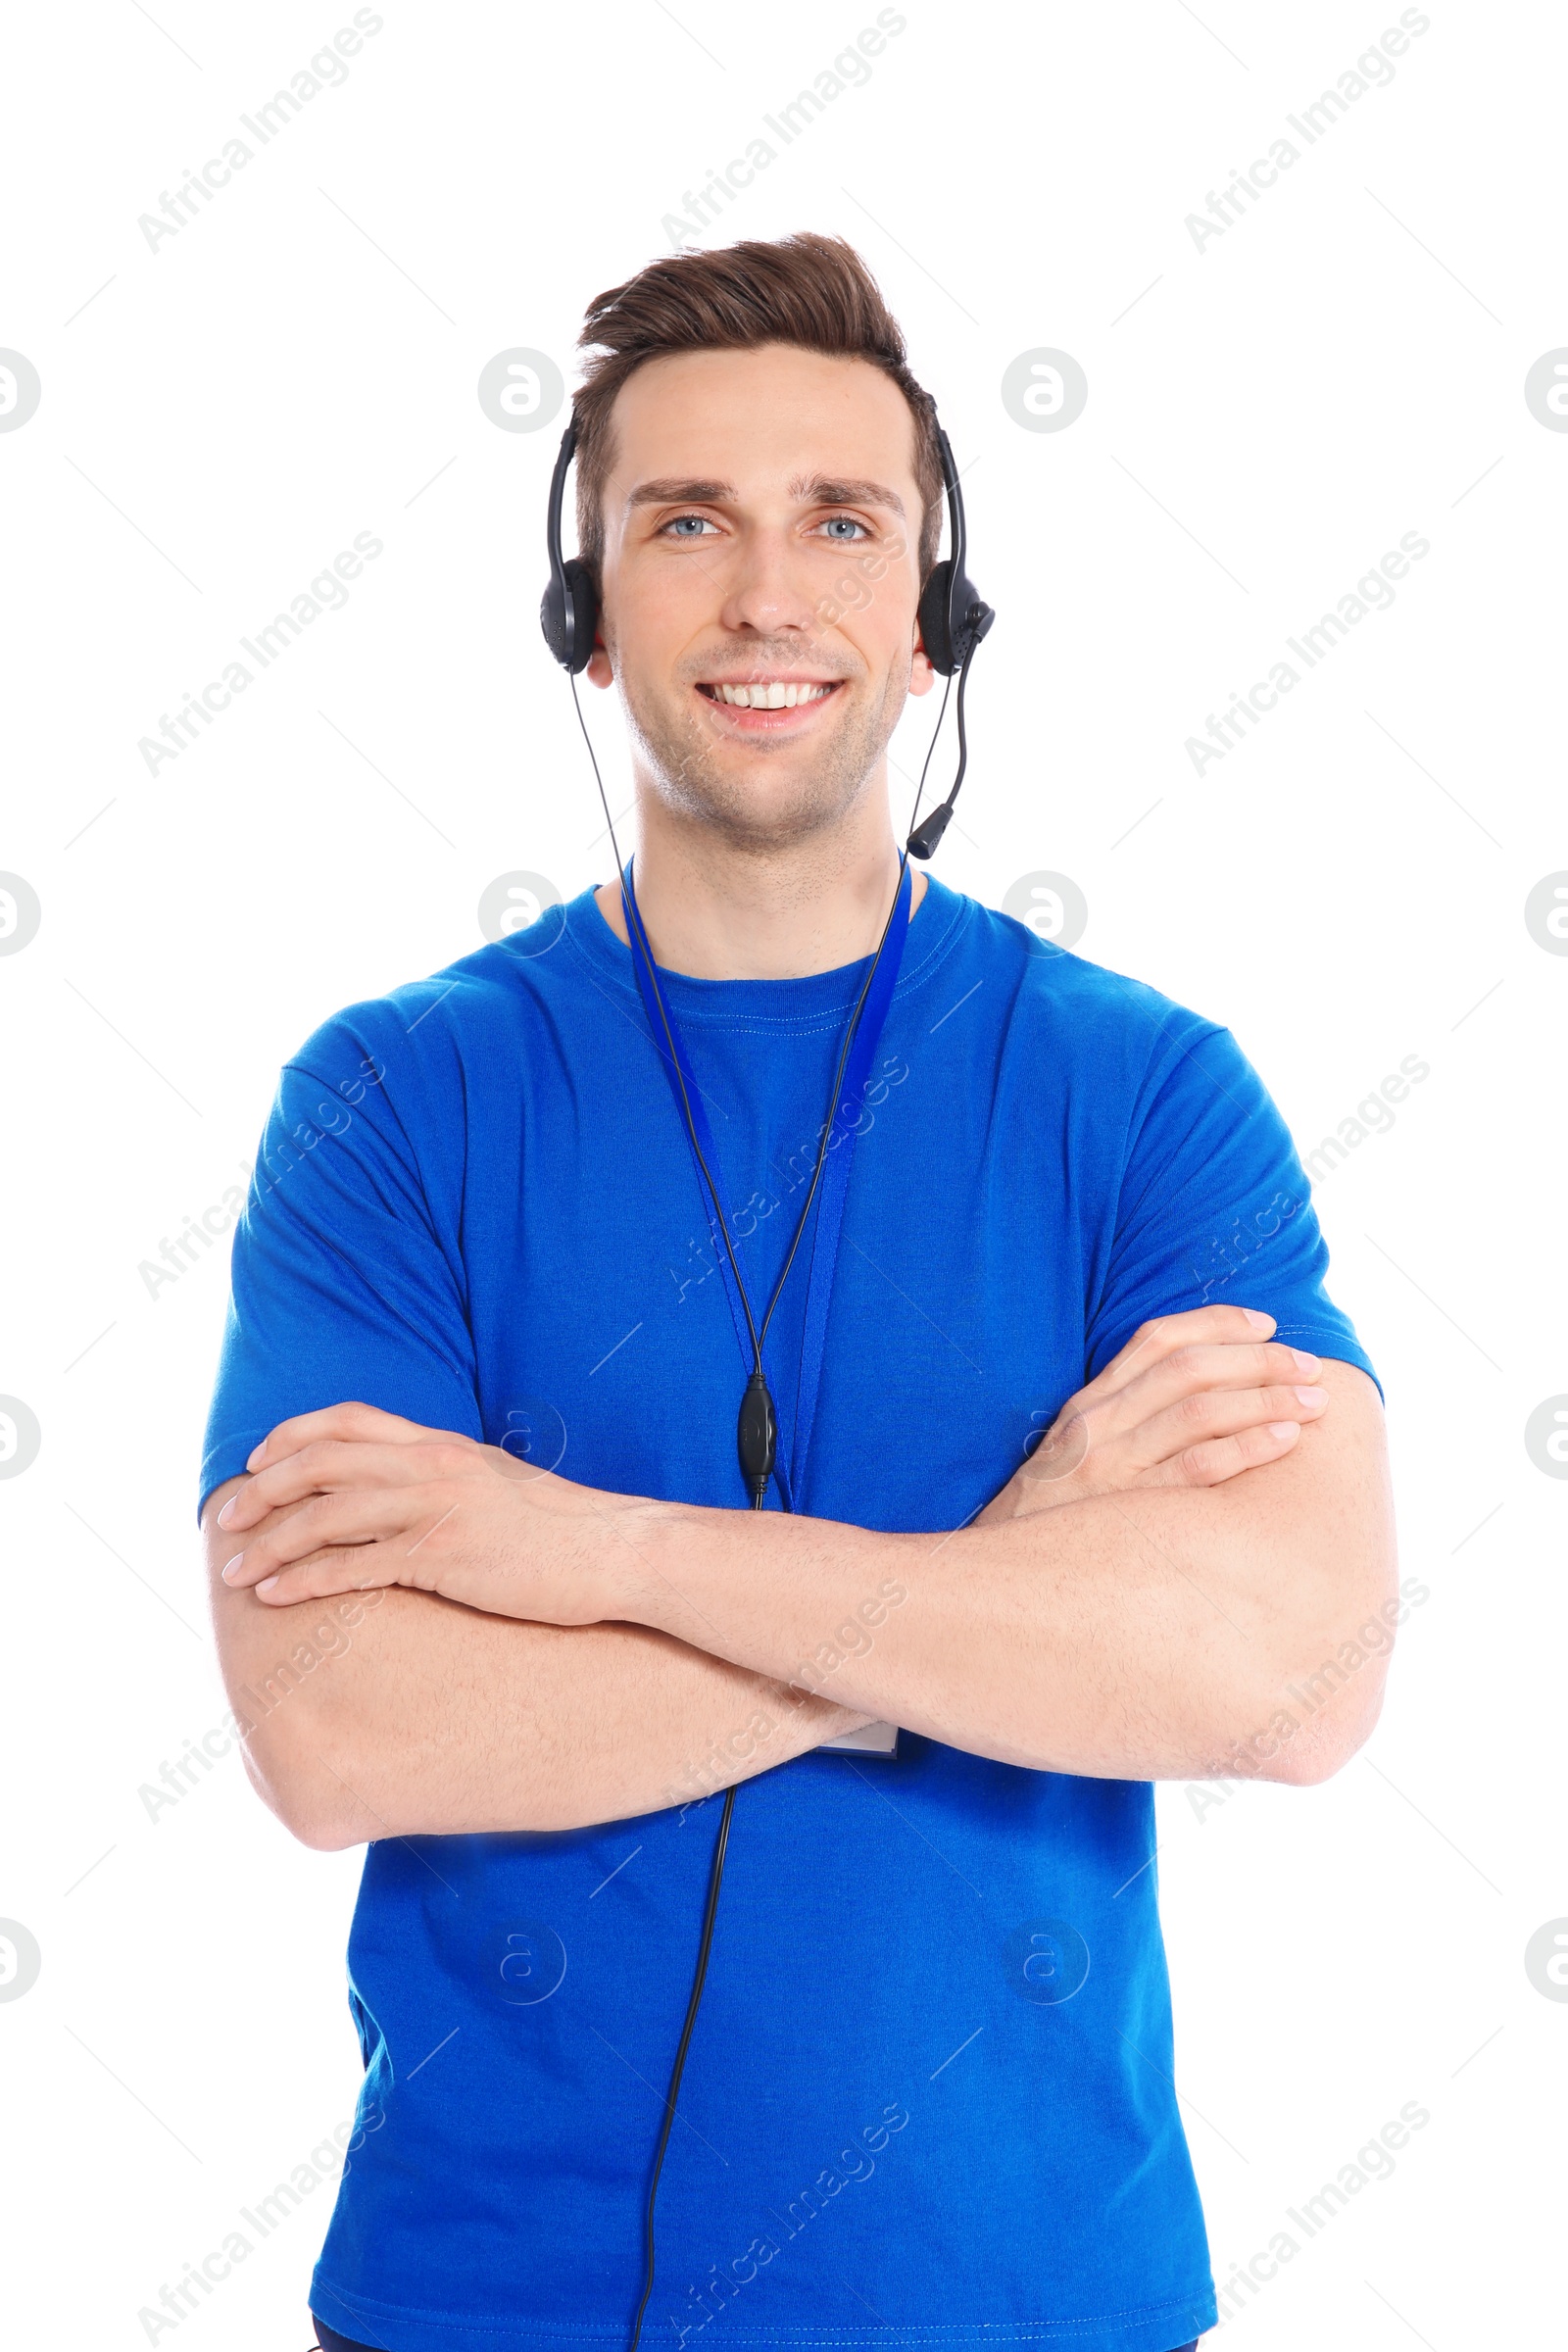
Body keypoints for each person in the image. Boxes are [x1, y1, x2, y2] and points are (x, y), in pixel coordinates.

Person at [200, 233, 1396, 2352]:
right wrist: (992, 1595)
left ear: (932, 618)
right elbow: (339, 1730)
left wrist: (579, 1557)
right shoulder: (390, 1102)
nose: (767, 595)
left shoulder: (1147, 1099)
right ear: (584, 622)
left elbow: (1282, 1686)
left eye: (838, 524)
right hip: (486, 2300)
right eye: (686, 525)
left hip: (1033, 2301)